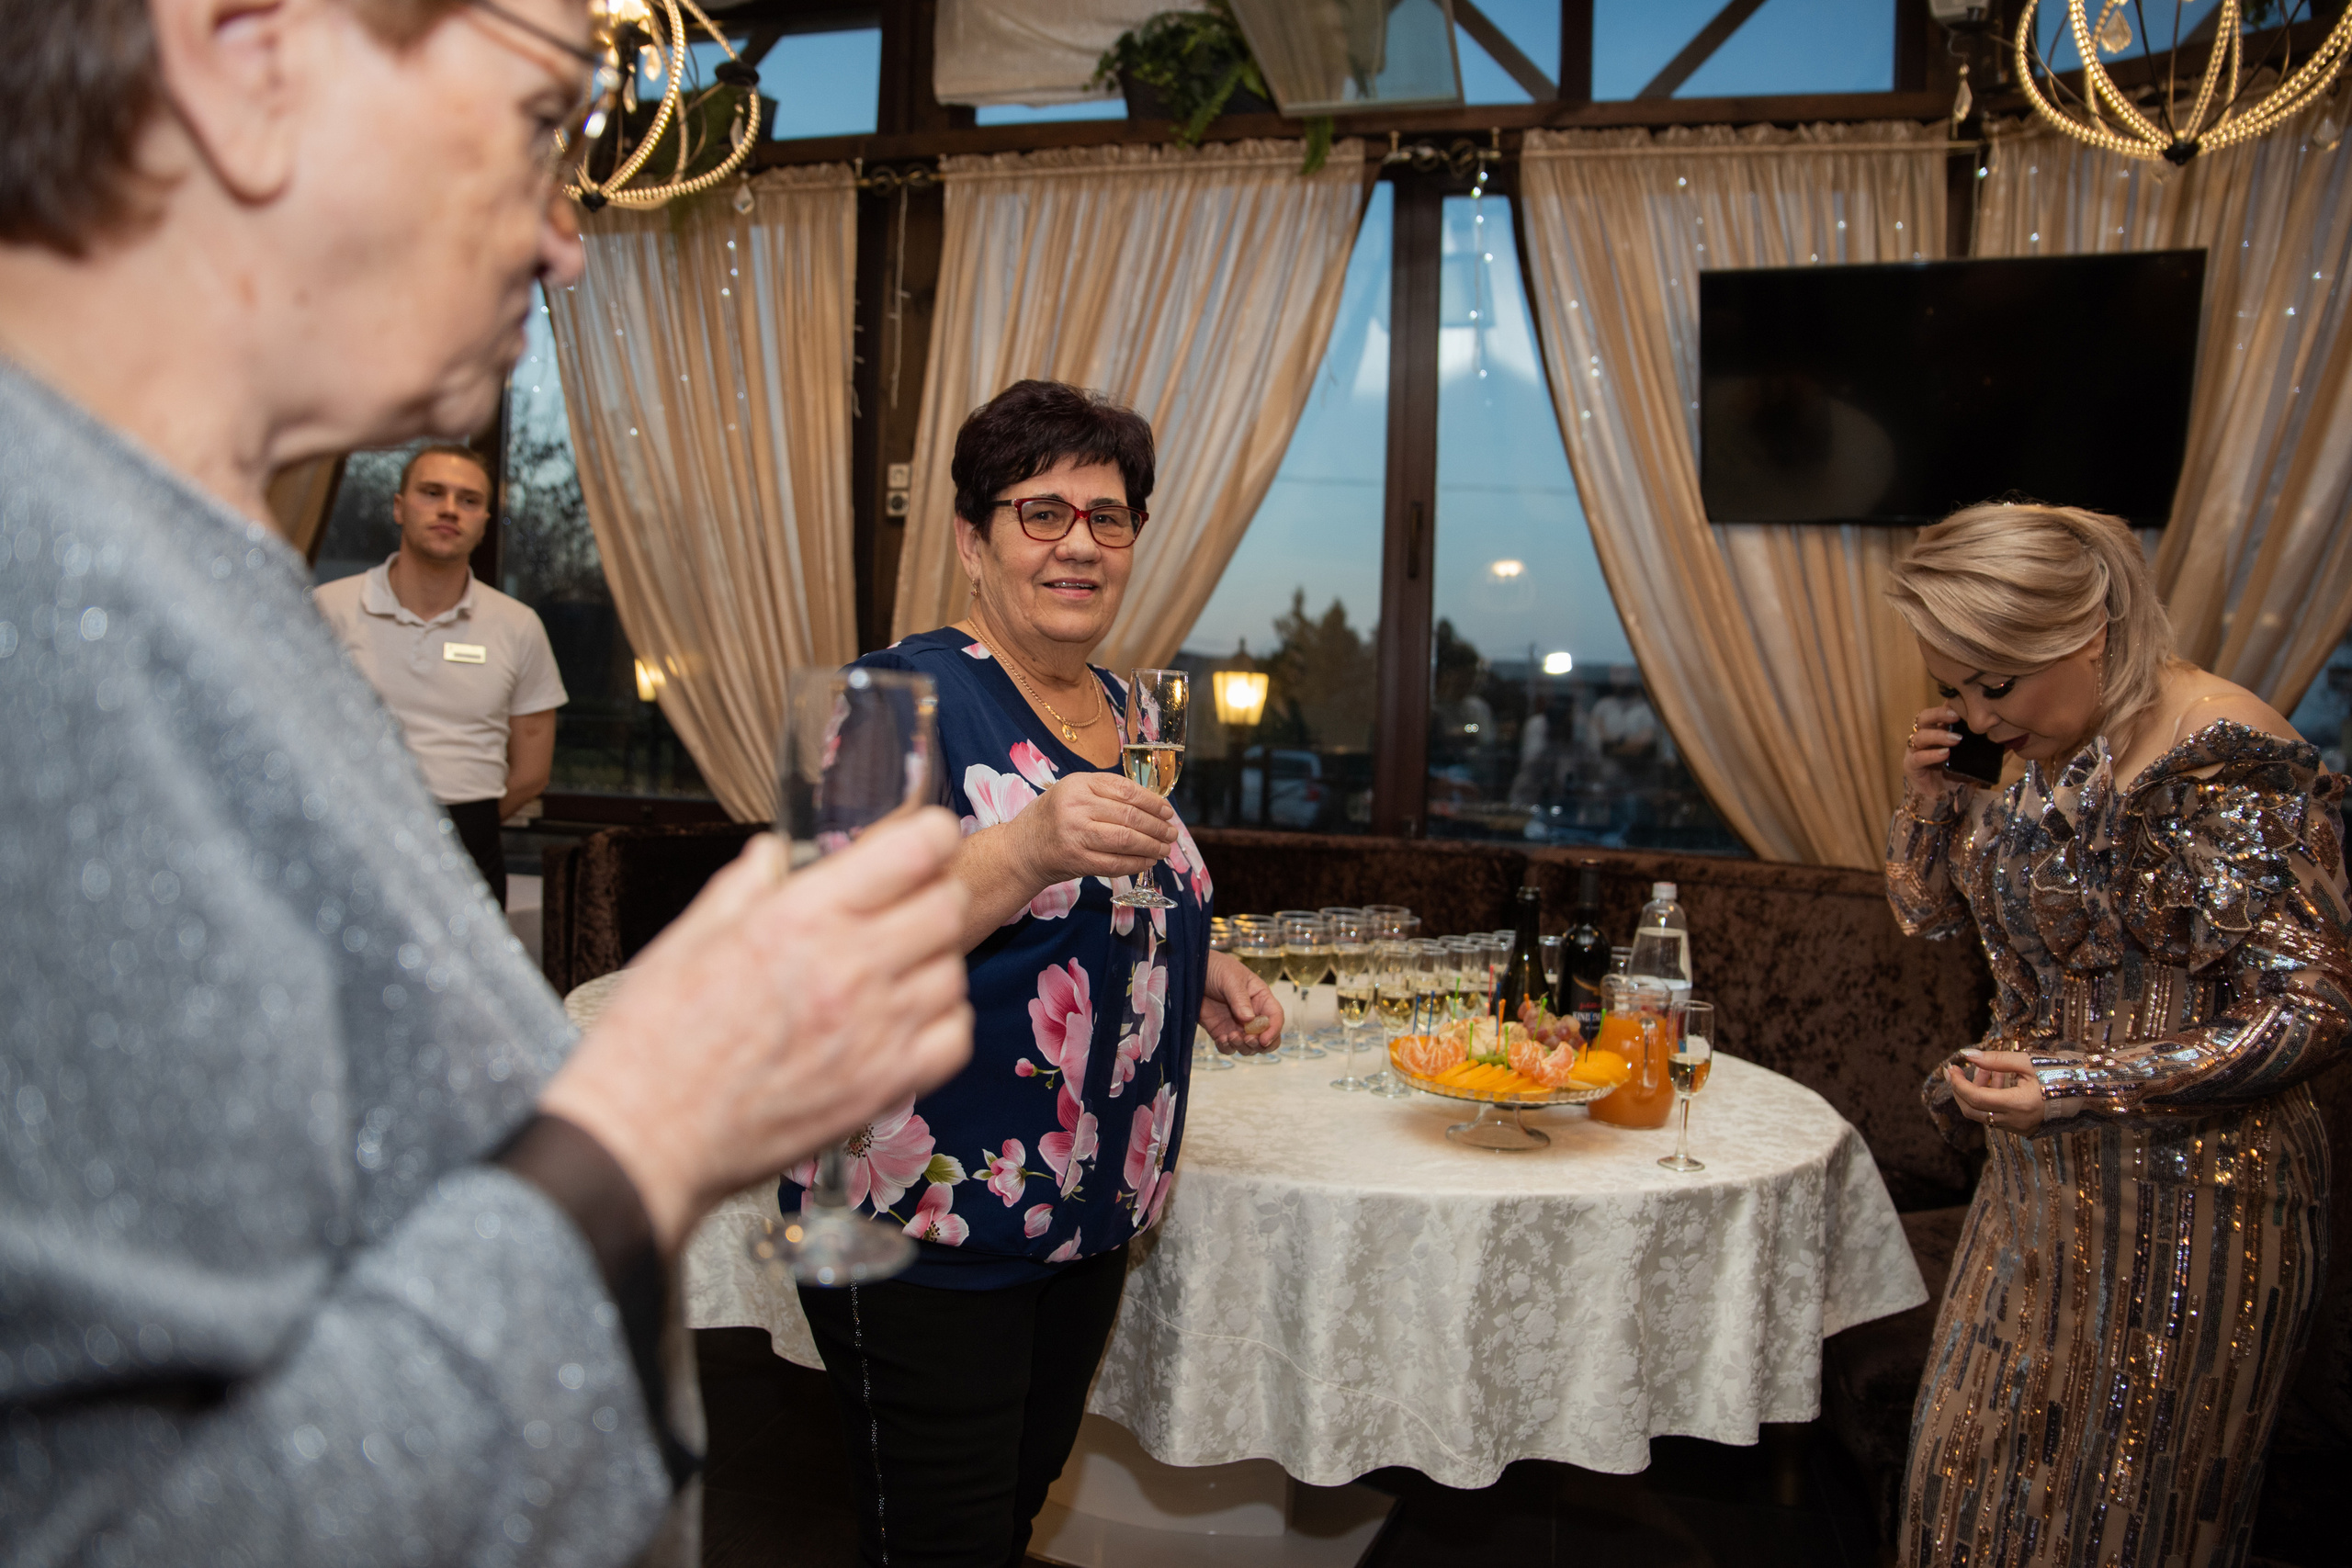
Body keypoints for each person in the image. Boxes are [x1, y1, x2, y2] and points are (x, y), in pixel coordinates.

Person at [0, 2, 972, 1562]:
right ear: (246, 57)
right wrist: (660, 1115)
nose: (571, 242)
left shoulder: (183, 559)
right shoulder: (38, 588)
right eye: (546, 124)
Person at [782, 378, 1284, 1568]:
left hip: (1085, 1223)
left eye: (1107, 517)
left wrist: (1204, 957)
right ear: (973, 537)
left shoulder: (1127, 703)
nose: (1078, 543)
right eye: (1041, 510)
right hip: (924, 1229)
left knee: (1001, 1520)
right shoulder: (889, 699)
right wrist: (1027, 842)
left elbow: (1134, 880)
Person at [1883, 502, 2349, 1567]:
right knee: (1964, 1488)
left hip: (2199, 1200)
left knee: (2119, 1519)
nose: (1977, 716)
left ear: (2086, 630)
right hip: (2037, 1185)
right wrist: (1927, 802)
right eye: (1953, 687)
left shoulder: (2224, 756)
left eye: (1993, 684)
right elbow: (1928, 913)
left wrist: (2081, 1081)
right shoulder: (2052, 742)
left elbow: (2317, 1005)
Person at [315, 442, 565, 908]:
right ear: (399, 507)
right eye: (432, 492)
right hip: (351, 836)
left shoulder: (518, 625)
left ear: (485, 521)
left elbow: (532, 772)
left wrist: (457, 823)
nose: (450, 509)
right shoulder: (326, 610)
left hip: (469, 847)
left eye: (468, 500)